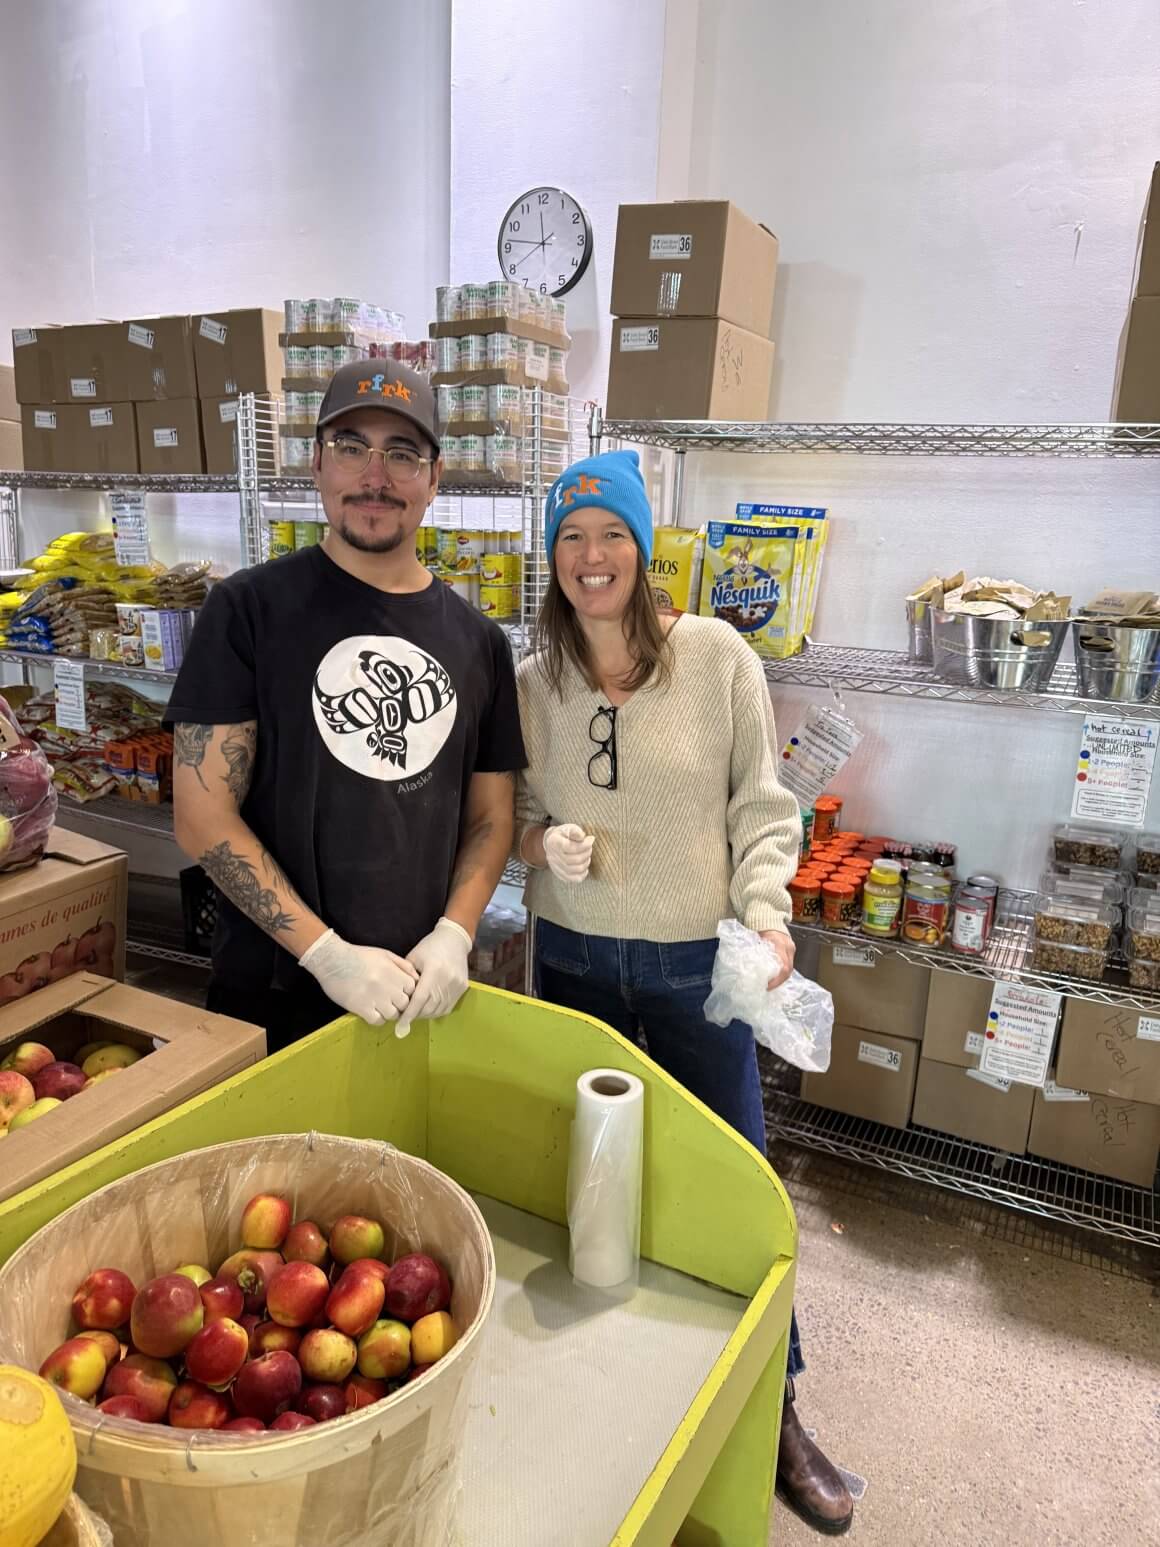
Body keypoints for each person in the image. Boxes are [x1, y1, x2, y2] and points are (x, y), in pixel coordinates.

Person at [515, 449, 854, 1536]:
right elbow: (510, 806)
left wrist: (765, 911)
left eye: (608, 533)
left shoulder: (714, 658)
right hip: (571, 964)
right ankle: (619, 1382)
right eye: (569, 538)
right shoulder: (537, 682)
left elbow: (762, 808)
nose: (590, 556)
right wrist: (538, 841)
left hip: (690, 972)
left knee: (736, 1185)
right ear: (552, 558)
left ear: (641, 546)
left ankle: (778, 1408)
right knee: (595, 1183)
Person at [168, 361, 526, 1052]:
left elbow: (490, 818)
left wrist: (455, 932)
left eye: (402, 453)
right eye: (352, 445)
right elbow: (201, 815)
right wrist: (327, 956)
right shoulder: (246, 611)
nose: (375, 474)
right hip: (268, 998)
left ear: (434, 477)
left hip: (418, 995)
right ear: (317, 463)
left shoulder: (479, 643)